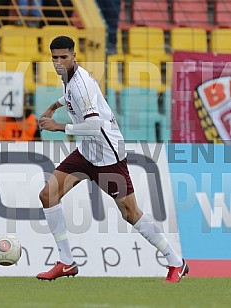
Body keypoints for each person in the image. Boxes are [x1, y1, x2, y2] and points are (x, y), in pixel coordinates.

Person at [36, 36, 189, 283]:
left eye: (64, 57)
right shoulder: (70, 79)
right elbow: (74, 99)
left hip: (108, 156)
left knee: (130, 213)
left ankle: (176, 262)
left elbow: (95, 125)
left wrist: (58, 126)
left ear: (74, 56)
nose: (59, 62)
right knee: (48, 195)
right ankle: (66, 262)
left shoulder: (81, 83)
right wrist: (55, 105)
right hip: (86, 153)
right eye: (54, 58)